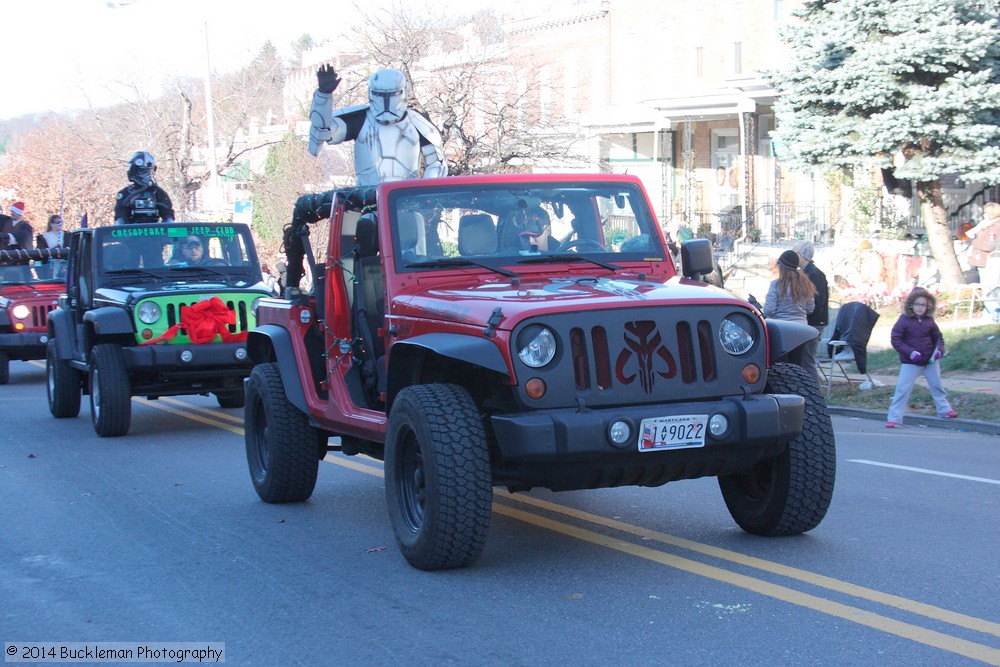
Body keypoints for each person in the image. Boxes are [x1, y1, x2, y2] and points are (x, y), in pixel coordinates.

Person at [307, 65, 448, 185]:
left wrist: (422, 194)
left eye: (392, 94)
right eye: (380, 95)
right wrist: (323, 95)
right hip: (365, 199)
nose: (386, 102)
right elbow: (323, 130)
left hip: (405, 202)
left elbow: (436, 163)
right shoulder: (360, 119)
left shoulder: (416, 122)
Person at [885, 287, 958, 427]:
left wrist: (939, 351)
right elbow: (896, 340)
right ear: (911, 304)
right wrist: (910, 353)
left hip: (930, 359)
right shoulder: (904, 320)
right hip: (910, 361)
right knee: (903, 388)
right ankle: (894, 417)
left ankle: (944, 409)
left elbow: (938, 338)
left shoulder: (929, 321)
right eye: (917, 304)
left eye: (923, 305)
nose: (920, 308)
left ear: (928, 305)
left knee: (937, 385)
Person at [762, 249, 817, 369]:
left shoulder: (776, 284)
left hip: (782, 330)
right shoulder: (806, 284)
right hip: (802, 330)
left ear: (781, 266)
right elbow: (810, 309)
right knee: (797, 366)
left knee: (781, 368)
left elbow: (769, 311)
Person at [793, 240, 829, 378]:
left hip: (813, 324)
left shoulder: (814, 274)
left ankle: (815, 396)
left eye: (795, 253)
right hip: (807, 324)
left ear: (802, 255)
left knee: (807, 362)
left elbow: (817, 304)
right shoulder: (804, 272)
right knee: (803, 362)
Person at [114, 151, 175, 224]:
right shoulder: (125, 193)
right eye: (143, 171)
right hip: (132, 233)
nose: (148, 175)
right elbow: (120, 215)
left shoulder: (158, 193)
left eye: (151, 171)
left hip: (154, 233)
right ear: (134, 172)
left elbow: (168, 214)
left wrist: (167, 222)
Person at [966, 201, 1000, 285]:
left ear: (992, 213)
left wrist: (974, 242)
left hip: (991, 261)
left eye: (985, 212)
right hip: (983, 260)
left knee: (990, 288)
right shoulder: (986, 224)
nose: (983, 215)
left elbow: (989, 245)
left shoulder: (996, 226)